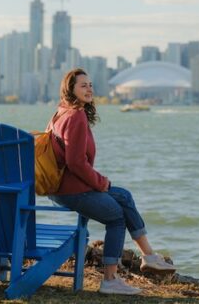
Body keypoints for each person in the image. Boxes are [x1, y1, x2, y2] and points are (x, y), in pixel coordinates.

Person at [48, 68, 176, 295]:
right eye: (82, 85)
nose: (89, 89)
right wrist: (100, 183)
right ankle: (110, 280)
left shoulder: (60, 113)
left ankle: (149, 257)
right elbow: (76, 163)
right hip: (72, 190)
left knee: (124, 196)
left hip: (60, 188)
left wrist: (100, 183)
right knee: (116, 217)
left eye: (90, 85)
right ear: (71, 90)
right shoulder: (75, 116)